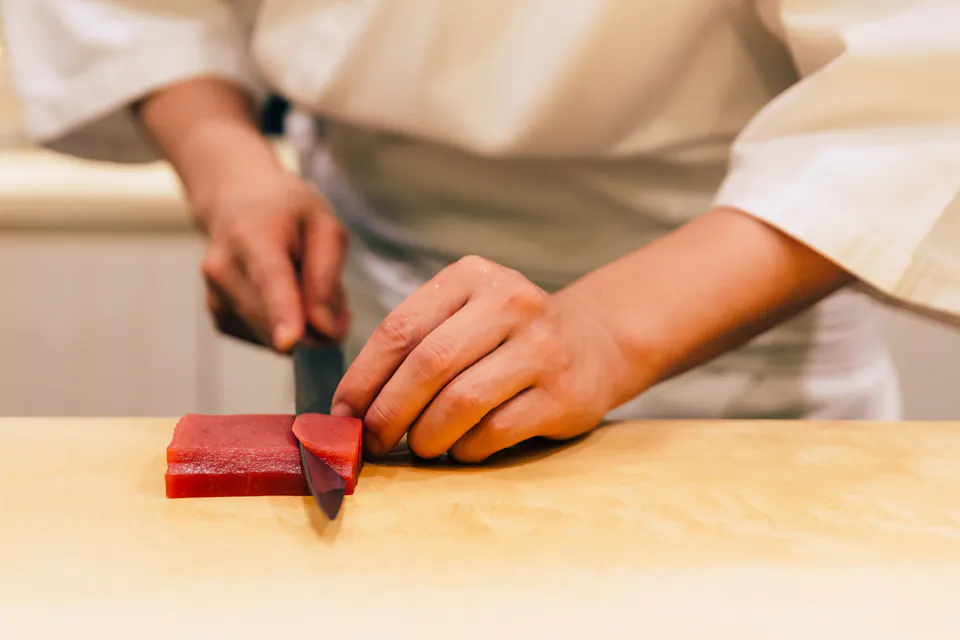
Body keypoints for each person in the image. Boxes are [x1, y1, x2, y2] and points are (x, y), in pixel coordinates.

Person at [4, 1, 959, 462]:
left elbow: (918, 90)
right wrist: (231, 172)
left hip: (732, 358)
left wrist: (608, 331)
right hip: (377, 328)